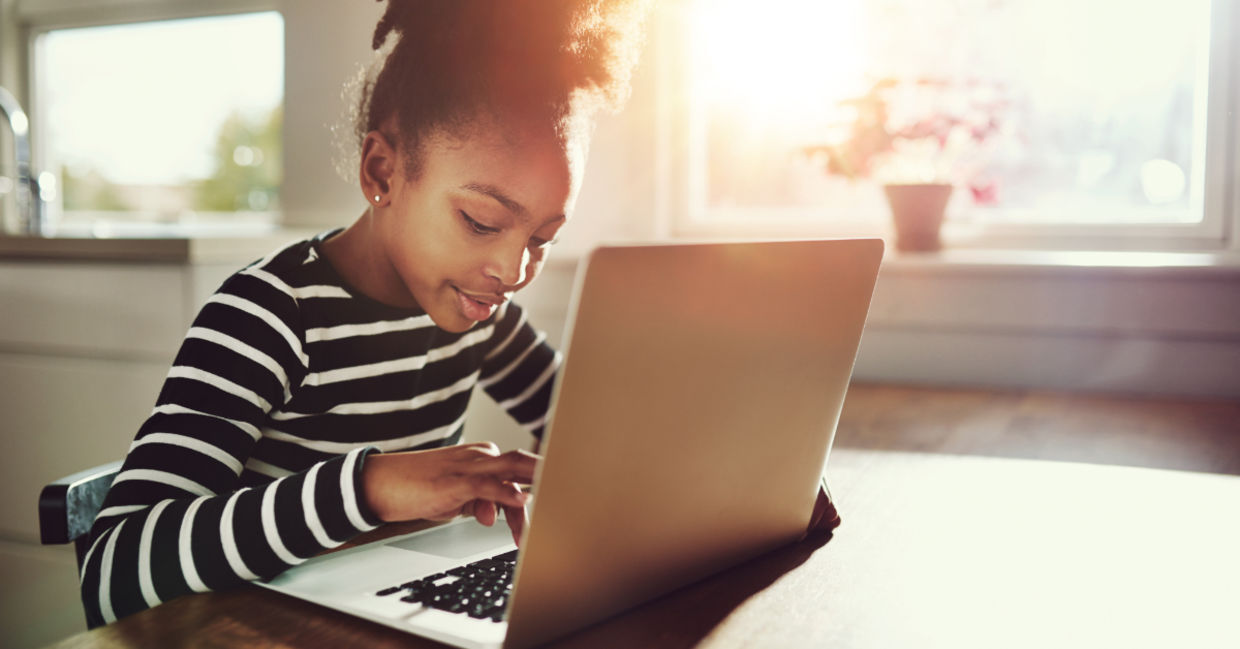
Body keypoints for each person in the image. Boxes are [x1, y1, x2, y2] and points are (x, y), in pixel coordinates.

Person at [79, 0, 837, 627]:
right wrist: (370, 486)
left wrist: (741, 489)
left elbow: (591, 438)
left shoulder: (481, 318)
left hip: (383, 619)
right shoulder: (270, 316)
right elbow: (110, 571)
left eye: (542, 237)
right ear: (384, 170)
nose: (512, 271)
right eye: (482, 221)